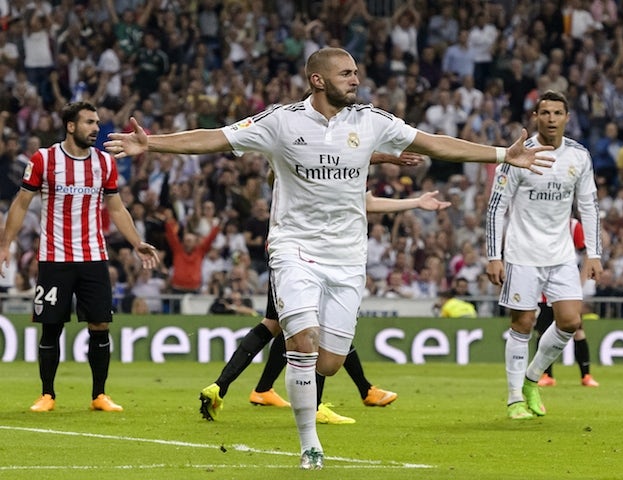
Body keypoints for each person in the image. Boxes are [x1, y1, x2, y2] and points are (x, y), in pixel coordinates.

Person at [106, 47, 553, 469]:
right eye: (347, 73)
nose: (356, 79)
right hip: (294, 248)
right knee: (302, 342)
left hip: (347, 256)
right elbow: (217, 139)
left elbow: (434, 142)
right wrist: (154, 144)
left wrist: (500, 155)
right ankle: (310, 445)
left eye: (356, 72)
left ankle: (296, 394)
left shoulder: (371, 121)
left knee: (330, 362)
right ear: (318, 80)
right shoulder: (281, 121)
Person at [199, 189, 451, 427]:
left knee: (277, 324)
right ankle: (323, 402)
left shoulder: (294, 163)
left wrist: (415, 200)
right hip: (309, 256)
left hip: (285, 251)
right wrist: (410, 194)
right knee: (314, 325)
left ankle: (233, 387)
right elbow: (365, 202)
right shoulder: (326, 165)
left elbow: (364, 200)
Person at [0, 101, 159, 413]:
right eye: (89, 122)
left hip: (94, 258)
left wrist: (136, 241)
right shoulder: (44, 159)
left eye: (96, 122)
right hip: (54, 257)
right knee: (52, 326)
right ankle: (48, 394)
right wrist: (6, 244)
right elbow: (20, 203)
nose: (96, 128)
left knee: (100, 325)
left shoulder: (105, 163)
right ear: (70, 126)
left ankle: (99, 395)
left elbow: (116, 207)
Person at [485, 90, 602, 421]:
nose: (551, 118)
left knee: (570, 321)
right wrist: (494, 255)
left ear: (567, 117)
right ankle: (513, 399)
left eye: (557, 113)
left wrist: (594, 253)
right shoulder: (519, 154)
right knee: (523, 322)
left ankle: (531, 380)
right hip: (522, 253)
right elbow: (496, 206)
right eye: (545, 112)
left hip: (562, 253)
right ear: (535, 117)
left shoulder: (578, 156)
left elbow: (589, 206)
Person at [536, 218, 599, 388]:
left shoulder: (573, 226)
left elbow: (586, 252)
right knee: (543, 331)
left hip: (566, 286)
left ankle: (586, 375)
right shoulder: (540, 221)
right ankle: (546, 374)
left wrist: (581, 279)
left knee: (576, 329)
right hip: (544, 287)